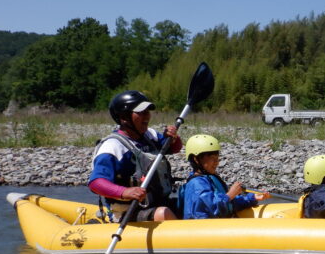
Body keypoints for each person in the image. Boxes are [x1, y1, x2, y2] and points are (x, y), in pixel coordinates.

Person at [88, 90, 181, 222]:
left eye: (147, 112)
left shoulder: (150, 135)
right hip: (127, 214)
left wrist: (173, 138)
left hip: (157, 203)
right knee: (162, 213)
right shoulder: (112, 147)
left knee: (188, 201)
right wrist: (125, 192)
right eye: (141, 112)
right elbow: (96, 183)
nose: (147, 116)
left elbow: (174, 148)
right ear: (124, 117)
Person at [180, 134, 264, 219]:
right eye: (212, 158)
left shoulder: (209, 179)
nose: (216, 162)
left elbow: (229, 204)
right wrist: (230, 195)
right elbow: (211, 208)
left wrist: (252, 198)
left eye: (217, 158)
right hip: (203, 228)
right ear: (196, 159)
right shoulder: (197, 184)